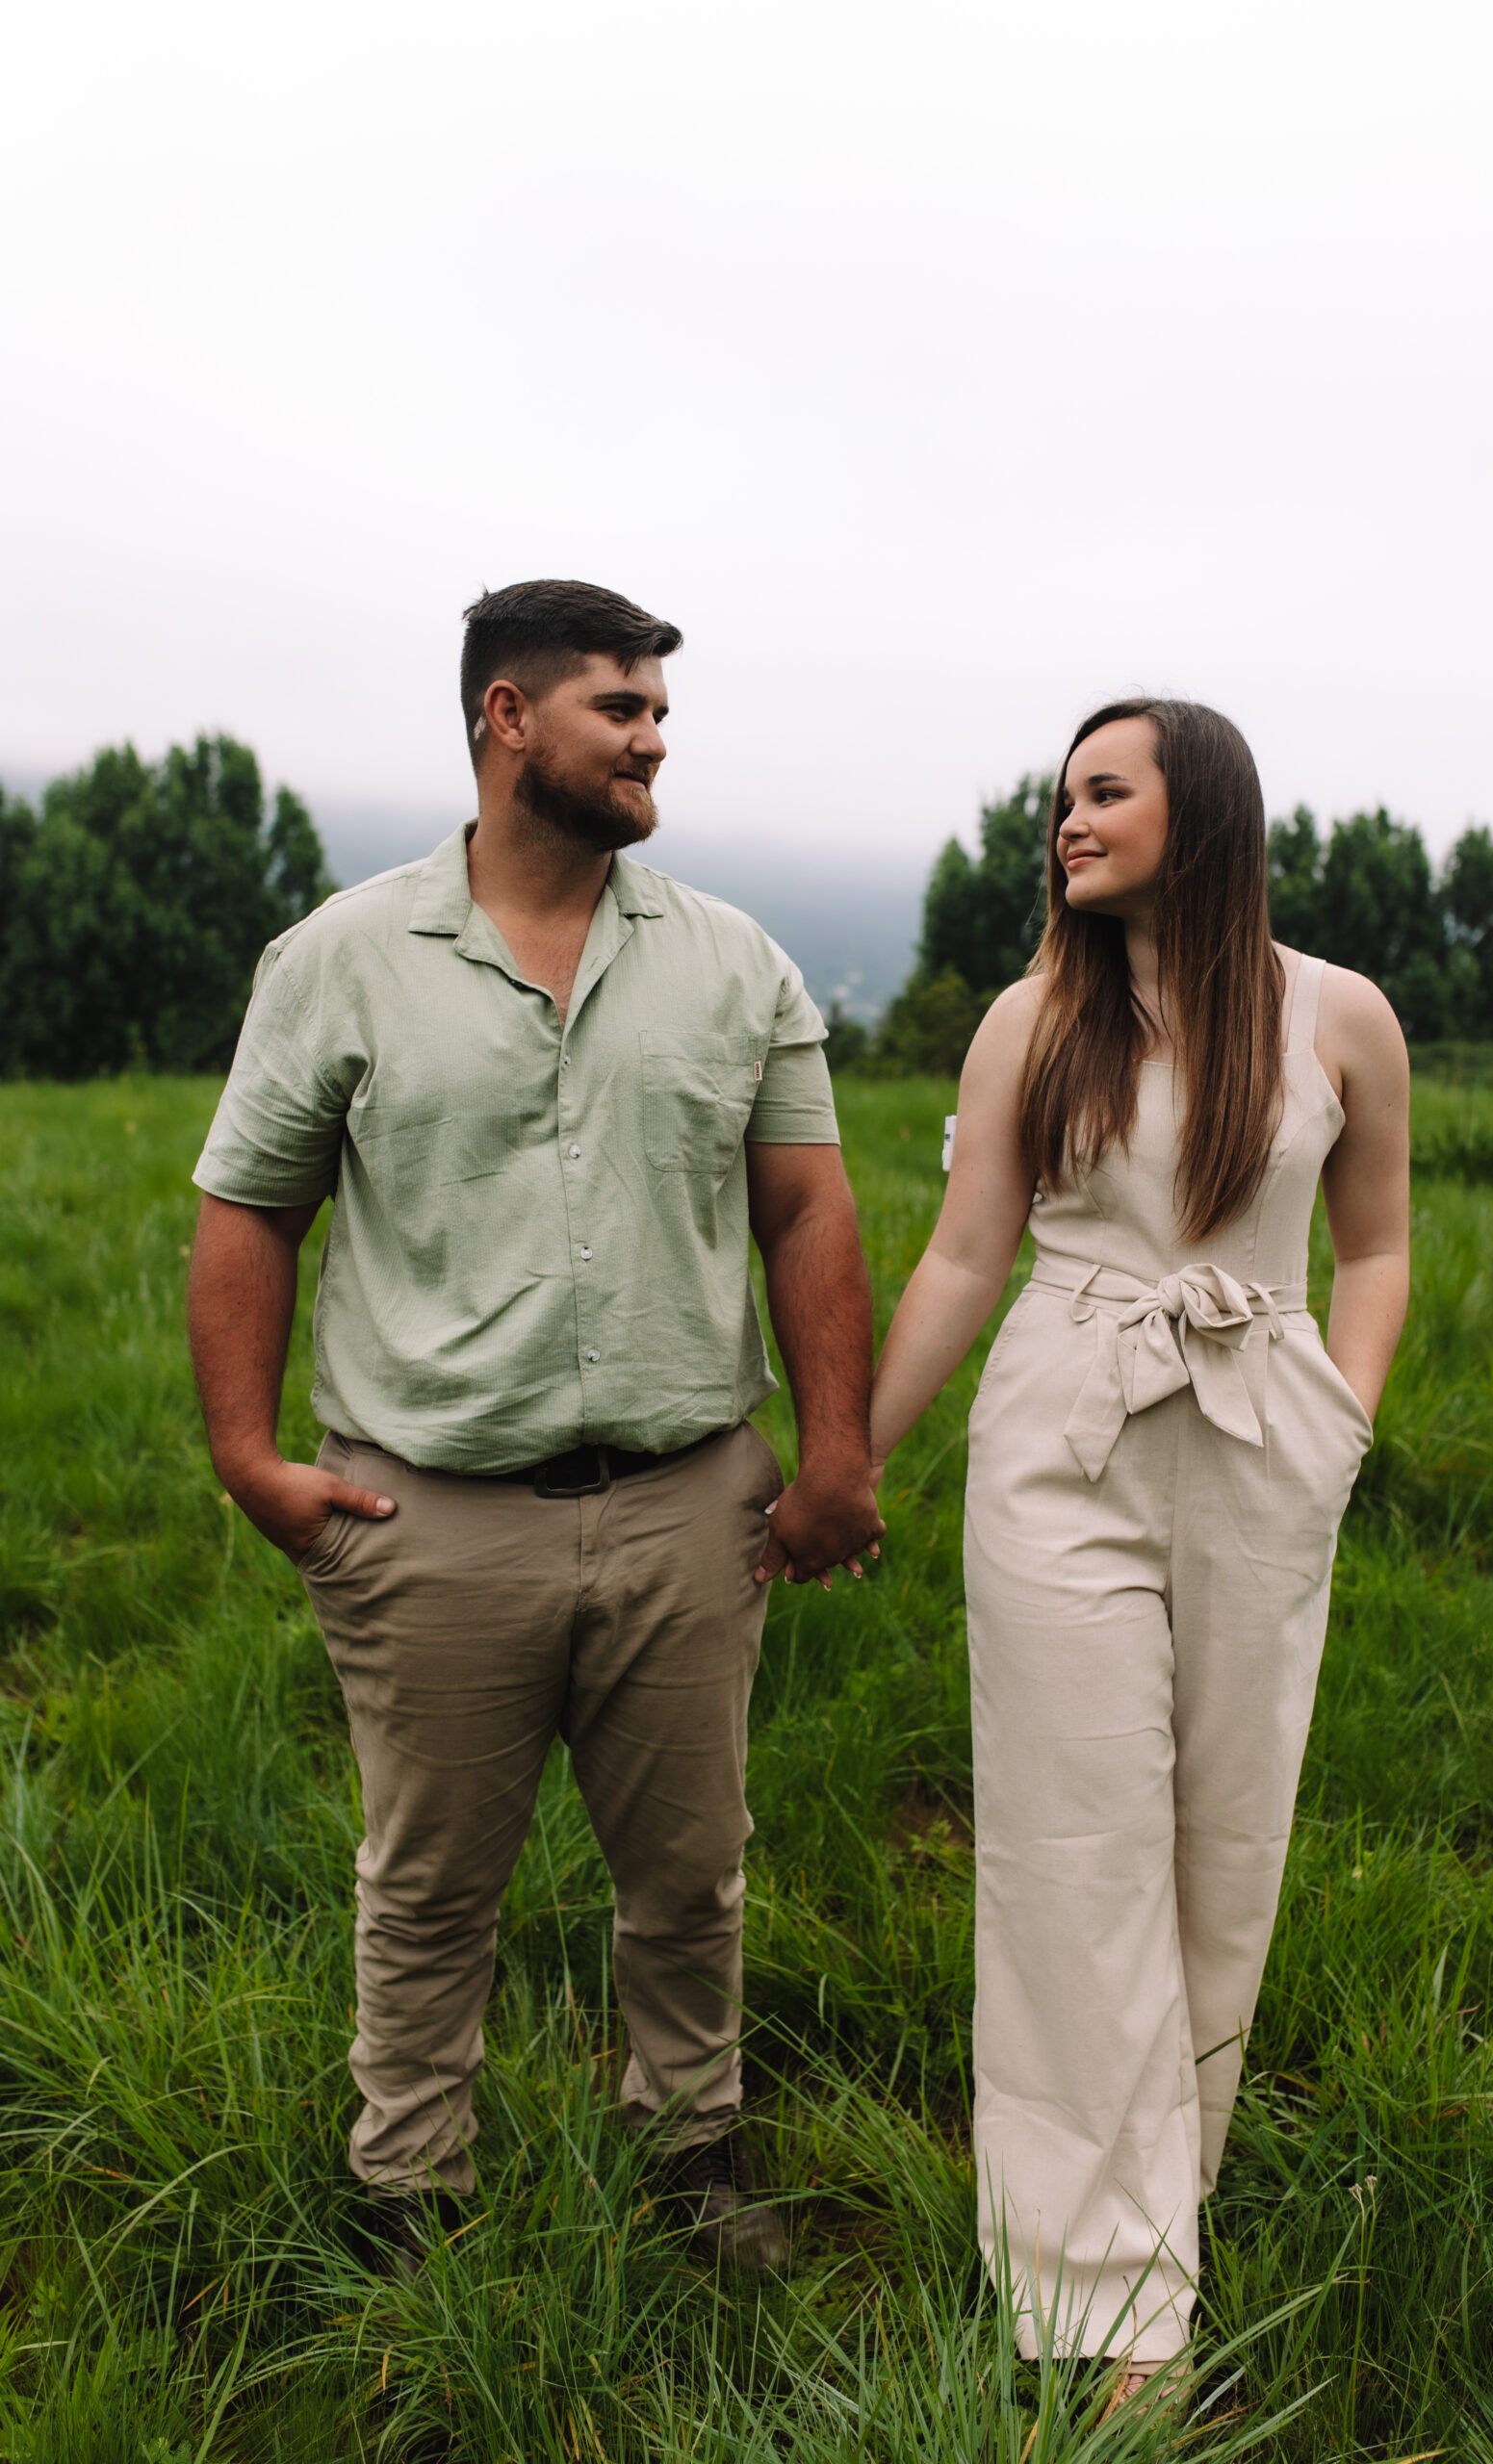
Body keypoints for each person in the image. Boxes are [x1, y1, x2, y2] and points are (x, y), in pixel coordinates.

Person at [187, 578, 884, 2276]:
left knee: (693, 1873)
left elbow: (808, 1212)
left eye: (659, 711)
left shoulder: (735, 960)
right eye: (619, 710)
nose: (656, 740)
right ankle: (408, 2194)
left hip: (686, 1505)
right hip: (425, 1517)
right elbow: (247, 1211)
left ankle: (690, 2159)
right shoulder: (340, 959)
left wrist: (839, 1452)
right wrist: (249, 1458)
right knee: (427, 1887)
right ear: (509, 719)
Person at [867, 699, 1409, 2398]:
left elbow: (1377, 1245)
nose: (1068, 821)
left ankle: (1165, 2194)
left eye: (1106, 791)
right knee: (1074, 1853)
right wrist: (842, 1460)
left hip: (1261, 1435)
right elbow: (964, 1261)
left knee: (1223, 1845)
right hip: (1064, 1438)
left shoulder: (1341, 1016)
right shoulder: (1033, 1019)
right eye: (1062, 797)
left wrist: (1343, 1423)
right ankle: (1100, 2305)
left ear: (1208, 811)